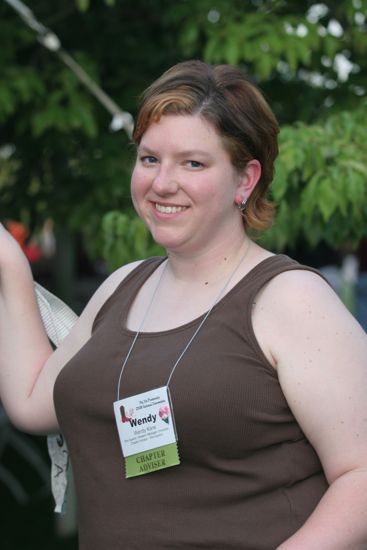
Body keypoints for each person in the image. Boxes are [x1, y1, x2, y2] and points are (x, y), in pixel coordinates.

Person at [0, 60, 367, 550]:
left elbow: (360, 475)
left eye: (192, 163)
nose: (162, 183)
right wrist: (8, 263)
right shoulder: (123, 285)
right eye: (149, 159)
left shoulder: (290, 299)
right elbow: (32, 404)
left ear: (245, 180)